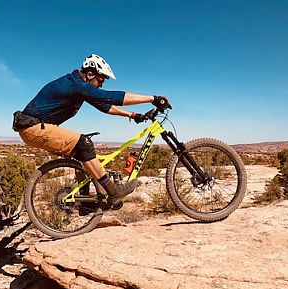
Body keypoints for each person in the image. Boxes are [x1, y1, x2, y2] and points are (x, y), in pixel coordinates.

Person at [13, 53, 171, 207]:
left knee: (82, 157)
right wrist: (153, 98)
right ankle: (114, 191)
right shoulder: (76, 85)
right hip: (33, 128)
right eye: (101, 78)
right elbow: (110, 97)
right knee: (84, 143)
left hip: (35, 129)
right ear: (90, 74)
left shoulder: (78, 86)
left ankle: (85, 203)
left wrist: (132, 115)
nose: (102, 83)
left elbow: (104, 106)